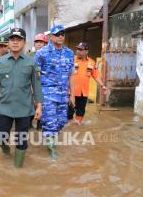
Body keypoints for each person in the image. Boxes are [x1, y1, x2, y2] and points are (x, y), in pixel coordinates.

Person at [0, 28, 43, 168]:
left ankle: (18, 169)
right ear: (8, 42)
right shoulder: (0, 62)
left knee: (21, 141)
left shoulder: (31, 63)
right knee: (0, 137)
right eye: (12, 40)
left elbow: (37, 86)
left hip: (24, 109)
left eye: (18, 40)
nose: (15, 42)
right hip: (4, 107)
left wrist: (39, 106)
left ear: (24, 42)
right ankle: (6, 151)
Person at [34, 25, 75, 160]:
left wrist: (72, 95)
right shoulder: (42, 53)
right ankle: (52, 150)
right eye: (57, 34)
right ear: (51, 37)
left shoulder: (69, 53)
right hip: (48, 95)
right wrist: (37, 98)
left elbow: (71, 75)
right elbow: (35, 76)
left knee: (62, 122)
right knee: (50, 122)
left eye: (62, 34)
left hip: (63, 95)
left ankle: (48, 138)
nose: (61, 36)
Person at [68, 42, 107, 124]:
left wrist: (102, 85)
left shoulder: (92, 63)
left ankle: (76, 127)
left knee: (81, 112)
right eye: (77, 49)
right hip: (71, 92)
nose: (78, 51)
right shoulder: (71, 60)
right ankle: (68, 127)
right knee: (68, 112)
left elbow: (96, 75)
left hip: (83, 93)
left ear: (86, 51)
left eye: (81, 49)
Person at [28, 33, 49, 129]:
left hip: (44, 86)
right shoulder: (28, 56)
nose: (39, 44)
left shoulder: (49, 57)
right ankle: (28, 125)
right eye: (37, 42)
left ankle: (40, 126)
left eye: (41, 42)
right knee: (30, 106)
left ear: (46, 44)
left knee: (43, 107)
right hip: (30, 85)